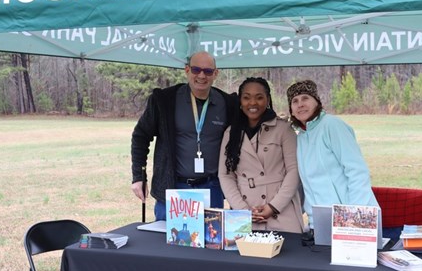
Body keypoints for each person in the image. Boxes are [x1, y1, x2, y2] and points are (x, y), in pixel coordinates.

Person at [131, 51, 235, 220]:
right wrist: (138, 177)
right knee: (169, 243)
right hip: (173, 187)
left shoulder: (228, 103)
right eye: (196, 70)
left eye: (208, 71)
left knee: (211, 242)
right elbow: (141, 136)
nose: (201, 75)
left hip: (212, 187)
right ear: (187, 70)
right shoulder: (165, 100)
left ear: (216, 74)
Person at [286, 79, 378, 229]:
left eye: (305, 98)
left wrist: (354, 216)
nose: (300, 104)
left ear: (316, 101)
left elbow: (357, 171)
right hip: (321, 223)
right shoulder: (300, 136)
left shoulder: (332, 125)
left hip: (352, 220)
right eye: (294, 101)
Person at [219, 77, 304, 233]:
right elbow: (226, 175)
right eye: (246, 98)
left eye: (259, 97)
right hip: (245, 213)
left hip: (281, 211)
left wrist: (273, 207)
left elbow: (294, 171)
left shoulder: (284, 129)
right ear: (240, 101)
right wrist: (242, 210)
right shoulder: (231, 133)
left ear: (268, 99)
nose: (253, 103)